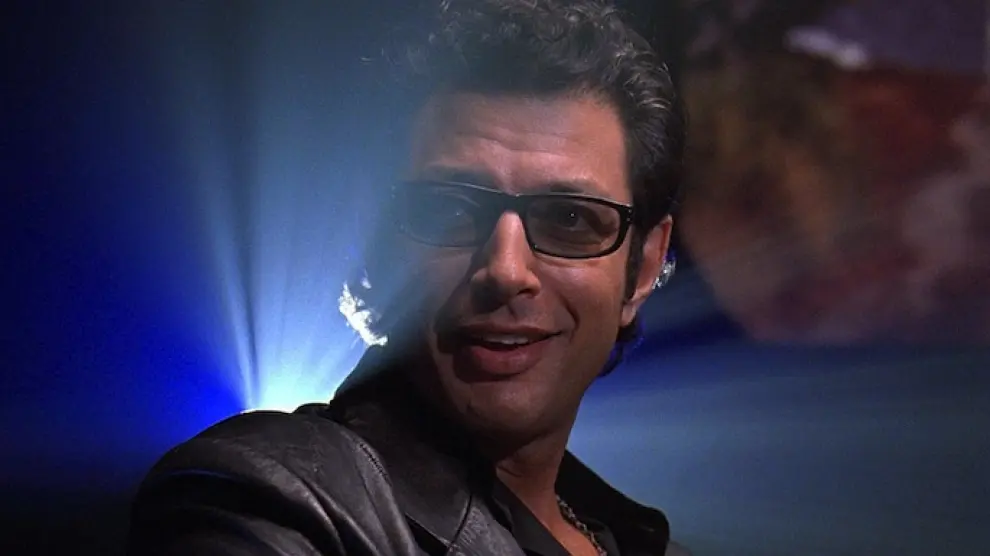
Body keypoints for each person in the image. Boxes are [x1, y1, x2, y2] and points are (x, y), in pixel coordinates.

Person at [127, 1, 690, 554]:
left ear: (643, 267)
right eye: (448, 211)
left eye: (569, 219)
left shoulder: (636, 539)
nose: (506, 269)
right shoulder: (266, 498)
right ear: (374, 244)